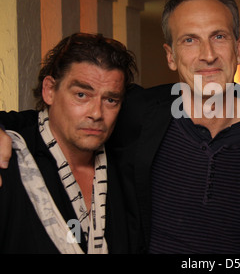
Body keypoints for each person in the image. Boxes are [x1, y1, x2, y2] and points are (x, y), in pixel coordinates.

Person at [0, 0, 240, 253]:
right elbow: (54, 117)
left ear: (238, 49)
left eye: (218, 37)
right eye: (189, 40)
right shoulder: (139, 112)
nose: (207, 55)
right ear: (170, 55)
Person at [0, 33, 137, 253]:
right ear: (49, 90)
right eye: (82, 94)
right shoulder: (12, 161)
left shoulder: (126, 164)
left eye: (110, 100)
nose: (96, 113)